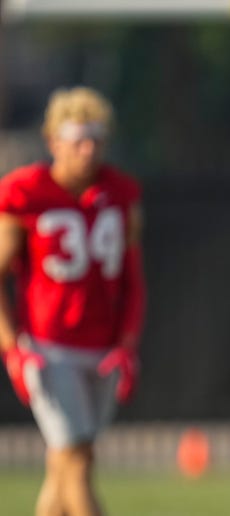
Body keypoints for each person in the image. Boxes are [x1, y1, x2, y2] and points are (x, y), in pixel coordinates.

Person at [0, 86, 145, 516]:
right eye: (78, 140)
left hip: (101, 347)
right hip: (49, 347)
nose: (88, 150)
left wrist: (127, 344)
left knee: (65, 460)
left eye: (96, 140)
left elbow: (134, 278)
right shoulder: (25, 191)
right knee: (76, 459)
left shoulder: (122, 192)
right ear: (53, 141)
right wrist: (12, 350)